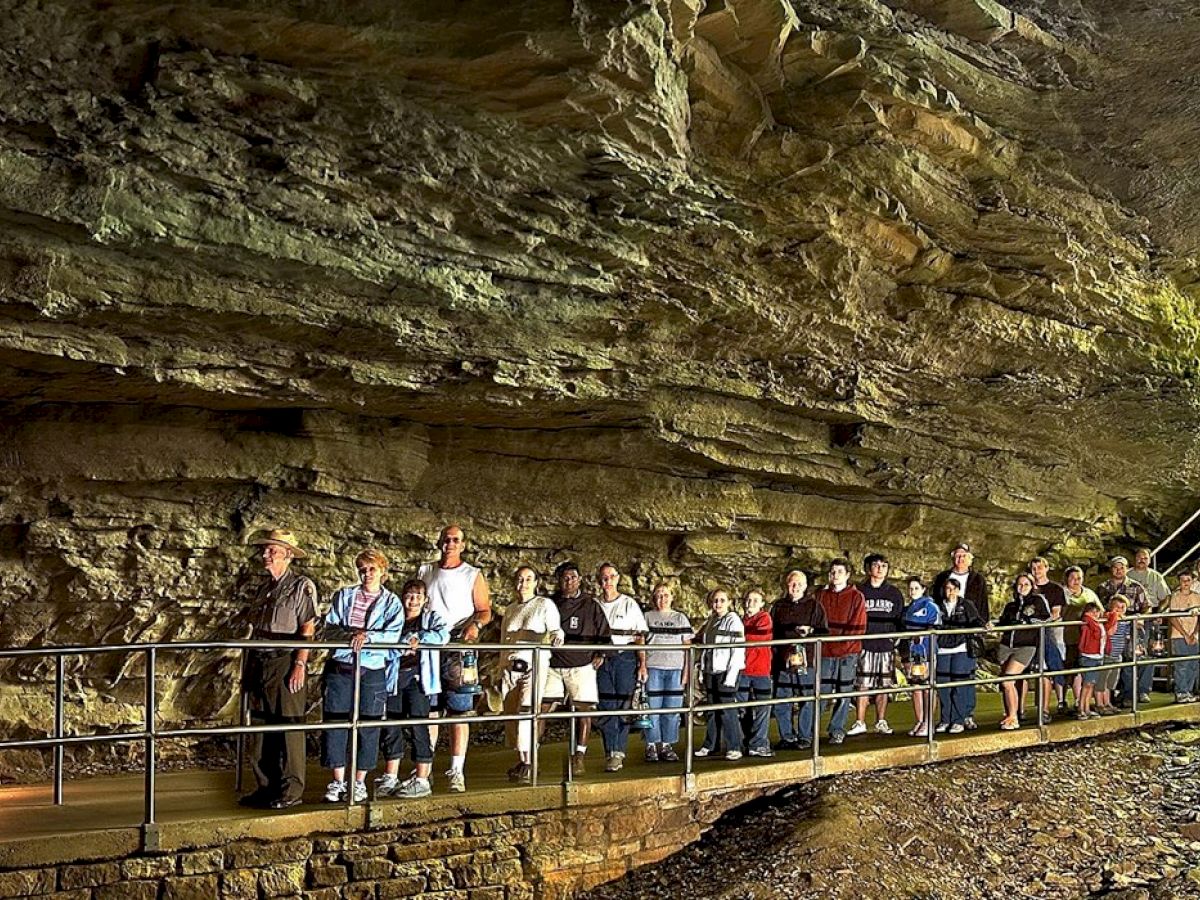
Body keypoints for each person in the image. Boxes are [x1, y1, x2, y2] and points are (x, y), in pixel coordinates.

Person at [240, 529, 318, 810]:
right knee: (261, 725)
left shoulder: (301, 586)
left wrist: (299, 664)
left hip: (284, 658)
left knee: (289, 726)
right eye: (265, 550)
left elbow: (307, 627)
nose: (265, 555)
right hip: (260, 658)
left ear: (287, 555)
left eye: (272, 551)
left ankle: (291, 789)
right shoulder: (265, 588)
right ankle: (266, 786)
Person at [320, 549, 404, 803]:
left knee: (368, 724)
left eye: (372, 569)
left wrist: (368, 637)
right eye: (363, 569)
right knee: (335, 722)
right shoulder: (345, 596)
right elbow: (330, 627)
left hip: (372, 669)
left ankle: (358, 781)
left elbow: (393, 634)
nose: (367, 574)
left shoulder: (391, 603)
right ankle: (337, 780)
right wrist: (350, 636)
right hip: (342, 666)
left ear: (383, 573)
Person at [416, 524, 492, 793]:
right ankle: (424, 769)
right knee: (431, 709)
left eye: (455, 540)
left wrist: (475, 626)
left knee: (459, 710)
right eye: (446, 539)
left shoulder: (472, 574)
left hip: (459, 646)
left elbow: (484, 610)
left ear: (462, 545)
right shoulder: (425, 571)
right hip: (430, 646)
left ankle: (456, 770)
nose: (450, 543)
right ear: (439, 542)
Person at [375, 579, 450, 798]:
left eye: (418, 596)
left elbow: (443, 635)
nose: (413, 600)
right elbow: (385, 643)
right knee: (392, 725)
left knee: (419, 726)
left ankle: (422, 778)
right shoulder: (394, 619)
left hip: (419, 680)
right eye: (409, 595)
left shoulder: (430, 619)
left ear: (425, 599)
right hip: (395, 678)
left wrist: (420, 638)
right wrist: (401, 646)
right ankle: (391, 776)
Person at [499, 566, 563, 784]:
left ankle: (529, 763)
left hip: (533, 664)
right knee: (512, 715)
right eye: (520, 578)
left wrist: (556, 637)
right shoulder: (510, 609)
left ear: (536, 583)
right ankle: (523, 759)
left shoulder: (544, 605)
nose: (523, 583)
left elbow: (555, 629)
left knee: (527, 711)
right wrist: (500, 668)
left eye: (528, 579)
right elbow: (504, 639)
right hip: (510, 666)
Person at [547, 562, 612, 776]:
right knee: (542, 708)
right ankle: (531, 757)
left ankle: (580, 756)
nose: (569, 581)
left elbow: (603, 630)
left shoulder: (590, 604)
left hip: (581, 664)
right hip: (553, 664)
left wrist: (600, 653)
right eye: (565, 578)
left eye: (573, 577)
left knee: (585, 710)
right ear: (559, 580)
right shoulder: (550, 603)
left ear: (579, 579)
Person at [594, 563, 648, 773]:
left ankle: (619, 751)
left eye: (611, 577)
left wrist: (642, 663)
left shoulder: (628, 604)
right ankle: (610, 751)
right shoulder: (595, 604)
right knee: (607, 704)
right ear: (600, 581)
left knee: (623, 704)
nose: (608, 581)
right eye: (604, 578)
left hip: (625, 657)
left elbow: (639, 636)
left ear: (617, 578)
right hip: (603, 658)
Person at [807, 560, 866, 746]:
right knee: (821, 690)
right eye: (833, 571)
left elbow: (857, 627)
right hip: (824, 651)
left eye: (840, 571)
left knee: (844, 691)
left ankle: (837, 729)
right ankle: (810, 730)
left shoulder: (856, 597)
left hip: (846, 652)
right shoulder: (820, 596)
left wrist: (841, 646)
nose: (835, 574)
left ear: (848, 574)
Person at [770, 570, 827, 751]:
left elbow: (824, 632)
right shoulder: (778, 606)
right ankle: (787, 735)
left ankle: (804, 736)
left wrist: (810, 631)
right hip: (783, 660)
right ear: (787, 585)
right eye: (792, 584)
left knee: (807, 698)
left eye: (799, 584)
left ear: (805, 586)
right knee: (782, 699)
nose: (795, 587)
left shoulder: (814, 606)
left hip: (805, 660)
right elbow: (772, 633)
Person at [848, 554, 904, 737]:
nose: (880, 569)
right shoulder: (859, 591)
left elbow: (899, 618)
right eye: (876, 565)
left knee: (883, 684)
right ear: (868, 568)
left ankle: (881, 720)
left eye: (884, 566)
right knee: (863, 684)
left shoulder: (894, 593)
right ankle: (860, 721)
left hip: (885, 645)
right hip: (864, 643)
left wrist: (895, 641)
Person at [643, 582, 692, 762]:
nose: (662, 599)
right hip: (653, 667)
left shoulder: (680, 618)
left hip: (675, 669)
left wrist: (687, 672)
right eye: (658, 595)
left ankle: (666, 744)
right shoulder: (647, 617)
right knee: (652, 708)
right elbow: (641, 644)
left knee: (672, 709)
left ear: (672, 597)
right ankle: (651, 743)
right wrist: (642, 667)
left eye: (665, 595)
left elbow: (688, 648)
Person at [996, 573, 1052, 731]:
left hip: (1026, 645)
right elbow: (1002, 622)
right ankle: (1009, 713)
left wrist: (1031, 621)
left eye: (1026, 584)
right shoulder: (1011, 606)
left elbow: (1047, 618)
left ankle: (1013, 717)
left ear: (1032, 586)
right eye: (1020, 585)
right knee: (1006, 683)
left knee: (1008, 680)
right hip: (1007, 645)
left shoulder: (1038, 601)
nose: (1022, 588)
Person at [695, 589, 745, 761]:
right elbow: (706, 648)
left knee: (727, 709)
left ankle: (734, 746)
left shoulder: (733, 621)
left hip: (725, 671)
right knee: (711, 709)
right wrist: (702, 670)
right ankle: (711, 744)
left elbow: (737, 650)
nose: (718, 604)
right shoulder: (711, 621)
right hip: (712, 670)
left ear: (729, 602)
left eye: (722, 600)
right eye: (715, 600)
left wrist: (731, 675)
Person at [934, 578, 985, 733]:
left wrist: (982, 626)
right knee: (943, 685)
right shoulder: (937, 606)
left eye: (953, 589)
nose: (950, 592)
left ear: (958, 590)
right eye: (947, 589)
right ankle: (945, 718)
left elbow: (976, 620)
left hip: (961, 647)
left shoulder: (966, 605)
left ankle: (958, 719)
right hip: (943, 648)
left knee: (960, 684)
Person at [1098, 556, 1151, 706]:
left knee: (1131, 659)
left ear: (1127, 569)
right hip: (1111, 628)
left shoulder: (1136, 586)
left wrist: (1140, 618)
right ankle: (1110, 696)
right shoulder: (1103, 587)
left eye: (1122, 568)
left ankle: (1131, 693)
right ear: (1111, 569)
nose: (1119, 570)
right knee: (1111, 661)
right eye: (1116, 567)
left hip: (1131, 626)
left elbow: (1146, 606)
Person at [901, 576, 941, 737]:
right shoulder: (909, 608)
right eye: (910, 588)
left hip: (926, 650)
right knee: (916, 686)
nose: (912, 591)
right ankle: (920, 720)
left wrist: (923, 636)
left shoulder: (930, 606)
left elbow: (935, 625)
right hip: (913, 652)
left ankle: (928, 721)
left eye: (916, 588)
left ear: (923, 589)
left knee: (927, 686)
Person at [1028, 558, 1067, 716]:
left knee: (1054, 661)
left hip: (1052, 628)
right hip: (1034, 630)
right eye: (1034, 568)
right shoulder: (1029, 588)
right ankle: (1042, 705)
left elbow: (1055, 612)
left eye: (1039, 567)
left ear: (1046, 568)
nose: (1036, 571)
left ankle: (1060, 699)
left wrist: (1042, 621)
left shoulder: (1055, 589)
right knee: (1041, 667)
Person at [738, 589, 774, 757]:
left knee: (762, 707)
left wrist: (735, 636)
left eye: (755, 600)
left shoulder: (764, 618)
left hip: (760, 669)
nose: (750, 603)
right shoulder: (740, 621)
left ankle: (758, 742)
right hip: (743, 669)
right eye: (748, 599)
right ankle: (746, 740)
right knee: (741, 708)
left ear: (761, 604)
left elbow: (756, 638)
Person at [1061, 566, 1100, 711]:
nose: (1076, 581)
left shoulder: (1089, 593)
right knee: (1067, 669)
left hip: (1085, 638)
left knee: (1083, 670)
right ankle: (1062, 699)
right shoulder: (1062, 593)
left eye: (1079, 578)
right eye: (1072, 578)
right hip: (1067, 637)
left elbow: (1099, 610)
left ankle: (1080, 701)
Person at [1078, 598, 1120, 719]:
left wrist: (1112, 614)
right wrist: (1089, 617)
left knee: (1091, 684)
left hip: (1098, 656)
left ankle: (1086, 708)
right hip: (1089, 656)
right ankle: (1081, 708)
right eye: (1092, 612)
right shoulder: (1088, 623)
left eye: (1097, 611)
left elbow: (1110, 623)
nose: (1095, 614)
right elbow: (1091, 627)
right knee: (1087, 684)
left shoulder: (1099, 623)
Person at [931, 543, 991, 620]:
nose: (960, 558)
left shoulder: (978, 579)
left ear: (969, 558)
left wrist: (983, 622)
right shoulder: (942, 577)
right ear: (953, 558)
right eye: (957, 556)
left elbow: (983, 604)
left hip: (969, 621)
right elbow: (936, 598)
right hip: (945, 619)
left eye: (964, 556)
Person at [1165, 571, 1200, 703]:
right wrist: (1185, 634)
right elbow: (1173, 618)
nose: (1185, 583)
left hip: (1194, 634)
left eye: (1188, 580)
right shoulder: (1175, 597)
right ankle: (1181, 691)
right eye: (1182, 580)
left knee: (1193, 664)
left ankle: (1189, 691)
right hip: (1179, 635)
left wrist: (1195, 633)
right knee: (1182, 664)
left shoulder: (1197, 597)